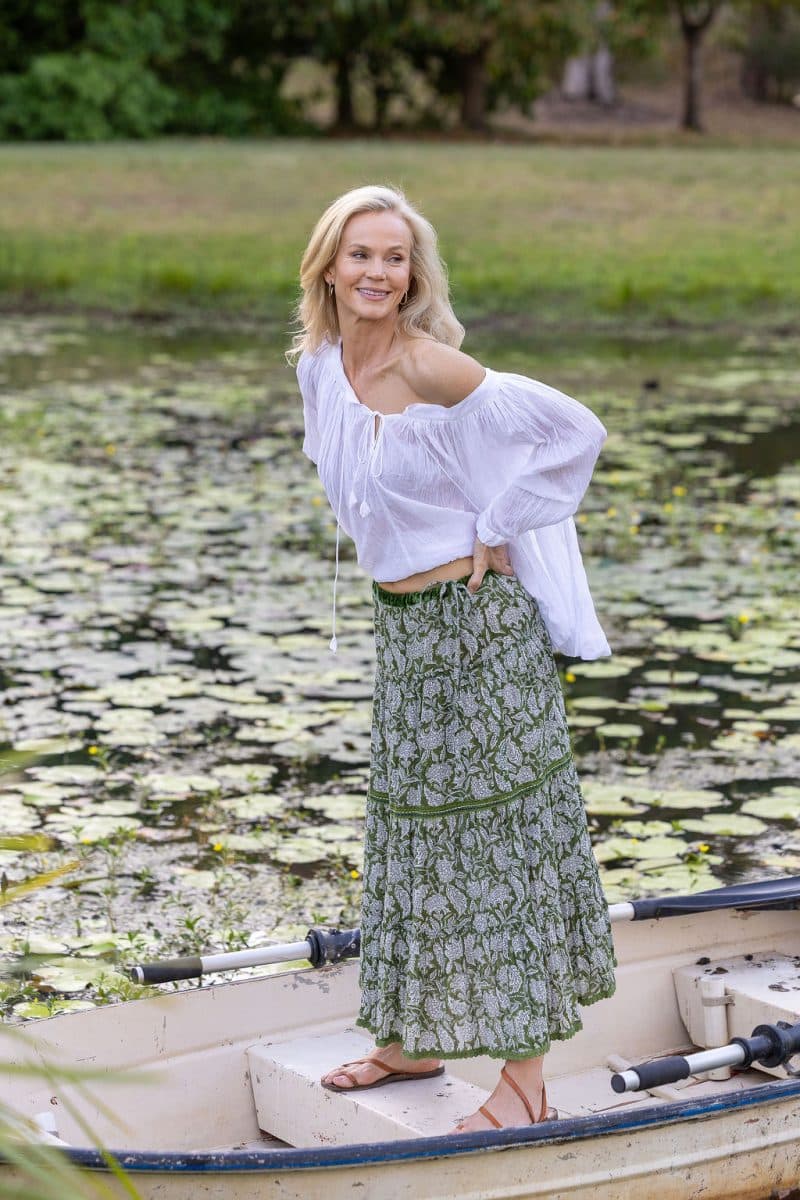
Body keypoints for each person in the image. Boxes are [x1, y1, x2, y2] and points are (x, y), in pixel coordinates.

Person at [289, 184, 617, 1134]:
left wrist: (499, 524)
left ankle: (523, 1085)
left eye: (395, 258)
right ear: (328, 267)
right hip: (408, 639)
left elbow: (574, 433)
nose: (378, 273)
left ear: (414, 273)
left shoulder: (432, 367)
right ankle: (411, 1039)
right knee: (412, 838)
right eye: (361, 255)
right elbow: (348, 479)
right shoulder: (321, 365)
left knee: (496, 844)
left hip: (477, 635)